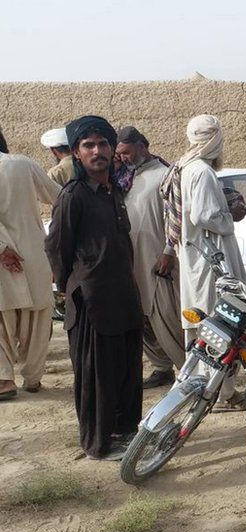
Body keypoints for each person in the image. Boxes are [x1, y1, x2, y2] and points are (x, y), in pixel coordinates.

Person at [45, 116, 144, 460]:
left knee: (127, 368)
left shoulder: (113, 190)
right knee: (96, 375)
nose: (97, 151)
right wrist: (71, 287)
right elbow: (57, 248)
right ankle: (98, 444)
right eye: (89, 145)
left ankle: (126, 431)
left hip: (123, 295)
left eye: (103, 144)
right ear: (76, 152)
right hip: (92, 301)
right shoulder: (74, 195)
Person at [160, 114, 246, 406]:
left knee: (204, 324)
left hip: (197, 260)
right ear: (216, 141)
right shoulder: (201, 172)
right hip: (211, 261)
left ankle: (205, 388)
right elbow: (204, 216)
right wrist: (230, 217)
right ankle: (219, 392)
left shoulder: (185, 167)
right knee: (219, 322)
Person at [115, 127, 184, 389]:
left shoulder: (164, 175)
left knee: (165, 315)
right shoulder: (123, 178)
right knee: (140, 318)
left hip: (158, 261)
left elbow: (176, 217)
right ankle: (161, 367)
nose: (124, 158)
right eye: (119, 154)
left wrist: (168, 251)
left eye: (127, 152)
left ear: (143, 146)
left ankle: (186, 368)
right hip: (131, 263)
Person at [0, 127, 62, 400]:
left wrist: (3, 249)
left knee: (1, 321)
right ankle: (33, 378)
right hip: (33, 254)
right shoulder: (23, 164)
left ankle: (3, 379)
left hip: (3, 260)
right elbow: (59, 196)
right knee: (38, 319)